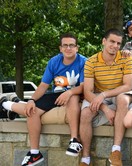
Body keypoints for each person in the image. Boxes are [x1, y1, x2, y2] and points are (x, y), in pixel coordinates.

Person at [0, 33, 87, 166]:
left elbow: (83, 87)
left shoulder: (84, 62)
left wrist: (69, 92)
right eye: (65, 45)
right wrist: (31, 100)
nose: (68, 48)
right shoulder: (54, 61)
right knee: (31, 111)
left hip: (75, 95)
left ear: (77, 48)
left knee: (73, 97)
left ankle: (74, 140)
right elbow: (43, 86)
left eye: (71, 45)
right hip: (55, 95)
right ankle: (34, 153)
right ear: (60, 48)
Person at [79, 28, 132, 166]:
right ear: (104, 41)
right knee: (85, 113)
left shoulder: (126, 58)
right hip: (98, 95)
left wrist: (104, 94)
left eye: (118, 43)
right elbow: (88, 92)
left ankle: (116, 152)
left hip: (119, 93)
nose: (115, 46)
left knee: (122, 98)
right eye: (112, 41)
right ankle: (85, 159)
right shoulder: (91, 61)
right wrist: (105, 108)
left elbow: (127, 86)